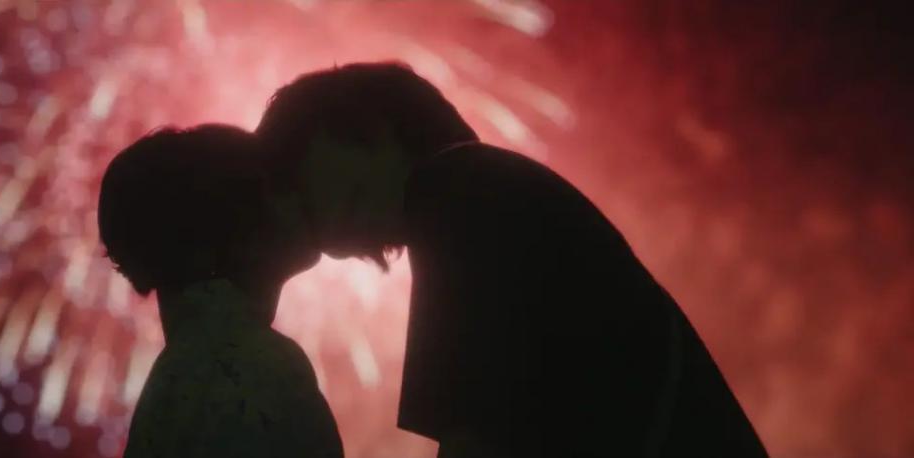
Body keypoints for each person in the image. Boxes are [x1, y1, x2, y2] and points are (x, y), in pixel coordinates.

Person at [255, 62, 768, 457]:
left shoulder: (457, 192)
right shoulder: (489, 190)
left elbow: (472, 440)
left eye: (296, 170)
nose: (299, 213)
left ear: (365, 129)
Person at [97, 124, 343, 458]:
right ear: (230, 223)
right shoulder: (255, 366)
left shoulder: (183, 373)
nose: (302, 199)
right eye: (278, 189)